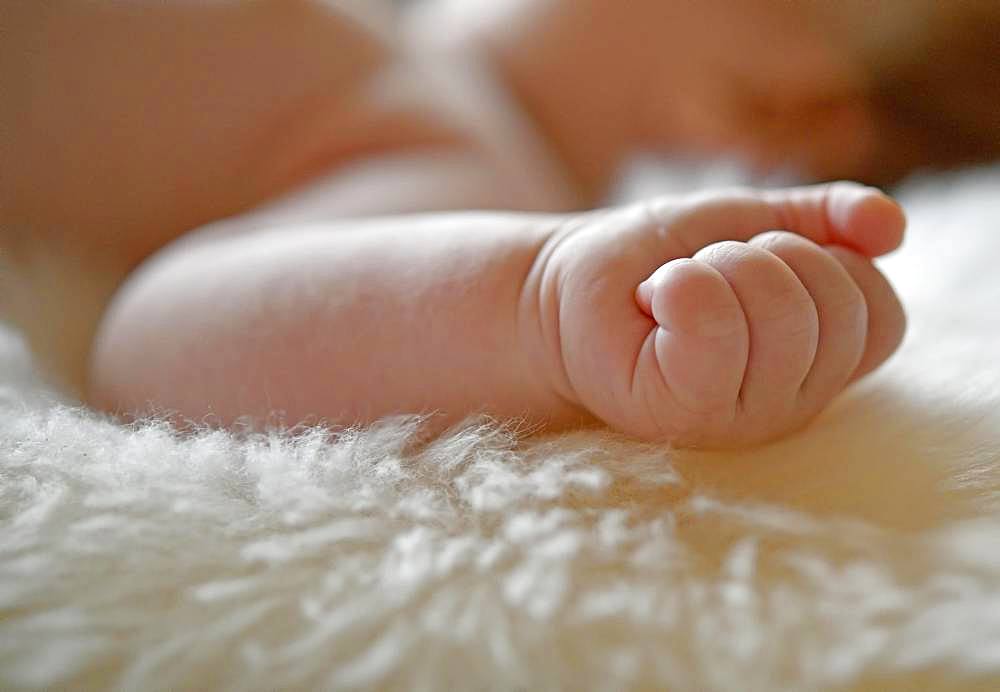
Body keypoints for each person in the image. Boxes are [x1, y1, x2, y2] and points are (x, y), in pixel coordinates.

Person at [5, 0, 971, 447]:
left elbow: (157, 340)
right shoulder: (389, 41)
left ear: (770, 103)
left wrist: (542, 300)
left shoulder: (460, 161)